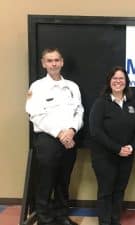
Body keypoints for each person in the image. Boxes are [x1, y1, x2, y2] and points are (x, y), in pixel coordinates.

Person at [25, 48, 84, 225]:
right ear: (43, 63)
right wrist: (60, 133)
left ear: (62, 62)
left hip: (70, 140)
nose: (53, 64)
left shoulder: (72, 86)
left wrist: (72, 129)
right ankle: (44, 219)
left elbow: (79, 111)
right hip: (48, 140)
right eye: (49, 61)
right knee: (45, 181)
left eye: (56, 60)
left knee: (63, 180)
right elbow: (35, 115)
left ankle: (61, 215)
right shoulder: (37, 87)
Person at [89, 66, 135, 225]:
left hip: (126, 156)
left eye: (121, 78)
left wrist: (131, 147)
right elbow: (95, 131)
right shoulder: (101, 103)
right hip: (104, 157)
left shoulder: (132, 103)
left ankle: (115, 220)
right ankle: (105, 222)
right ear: (109, 82)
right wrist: (117, 149)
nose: (118, 81)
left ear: (126, 82)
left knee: (119, 191)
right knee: (106, 192)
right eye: (115, 78)